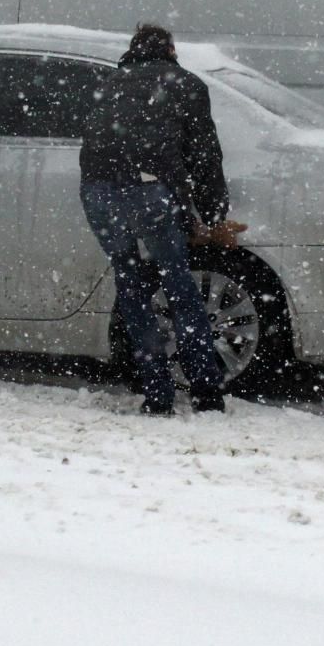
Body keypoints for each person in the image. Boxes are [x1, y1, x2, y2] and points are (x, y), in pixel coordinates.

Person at [79, 25, 234, 415]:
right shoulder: (185, 84)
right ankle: (205, 392)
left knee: (131, 289)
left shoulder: (109, 82)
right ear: (170, 49)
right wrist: (213, 214)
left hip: (98, 191)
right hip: (149, 191)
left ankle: (157, 395)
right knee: (181, 289)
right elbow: (204, 154)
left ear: (133, 50)